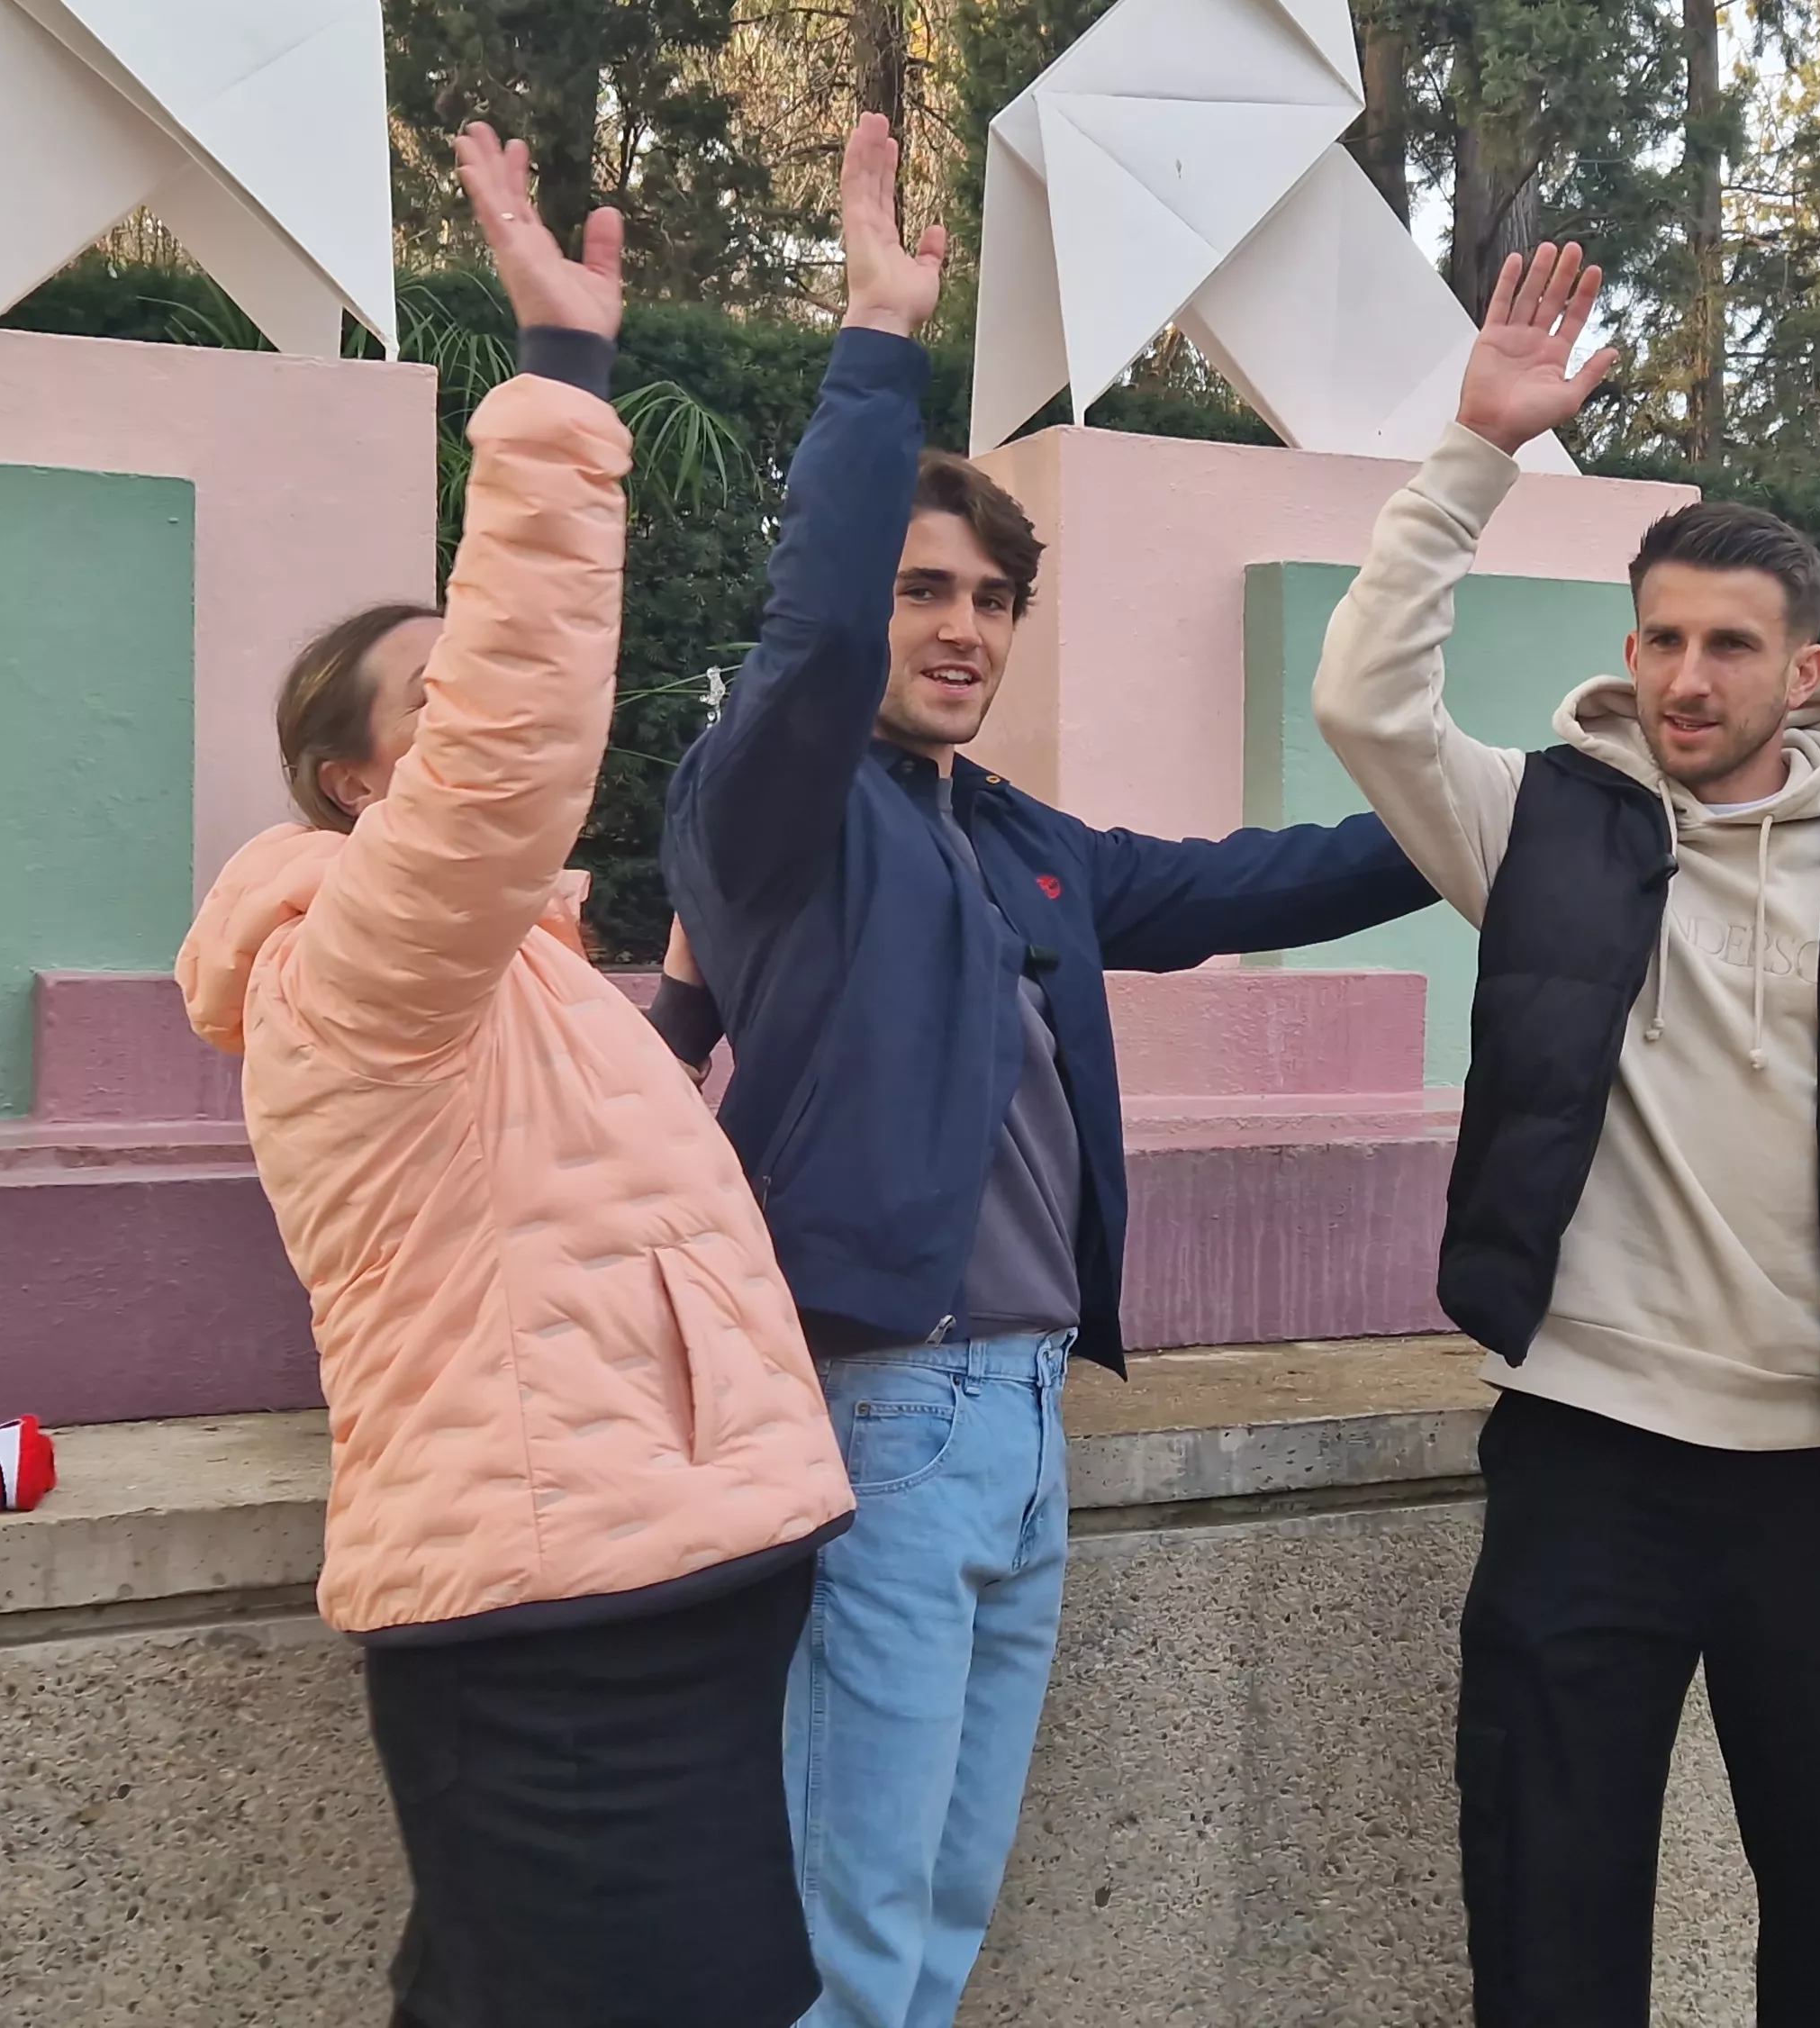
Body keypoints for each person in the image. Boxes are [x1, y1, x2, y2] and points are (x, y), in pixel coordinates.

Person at [656, 114, 1442, 2028]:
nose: (957, 627)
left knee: (936, 1909)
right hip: (882, 1410)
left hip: (1022, 1425)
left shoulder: (1014, 838)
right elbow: (810, 630)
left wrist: (1499, 805)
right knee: (851, 1931)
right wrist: (872, 341)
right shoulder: (776, 813)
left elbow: (1267, 876)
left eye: (991, 600)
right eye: (928, 591)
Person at [1311, 242, 1820, 2026]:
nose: (1687, 676)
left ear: (1806, 668)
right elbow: (1366, 701)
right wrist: (1473, 454)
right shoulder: (1538, 828)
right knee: (1548, 1928)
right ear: (1625, 646)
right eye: (1660, 638)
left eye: (1729, 645)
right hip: (1588, 1456)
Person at [176, 125, 850, 2028]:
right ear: (359, 782)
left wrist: (693, 1015)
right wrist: (558, 394)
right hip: (561, 1624)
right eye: (436, 691)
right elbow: (516, 743)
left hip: (650, 1587)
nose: (472, 702)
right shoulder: (352, 965)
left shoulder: (502, 980)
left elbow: (579, 1201)